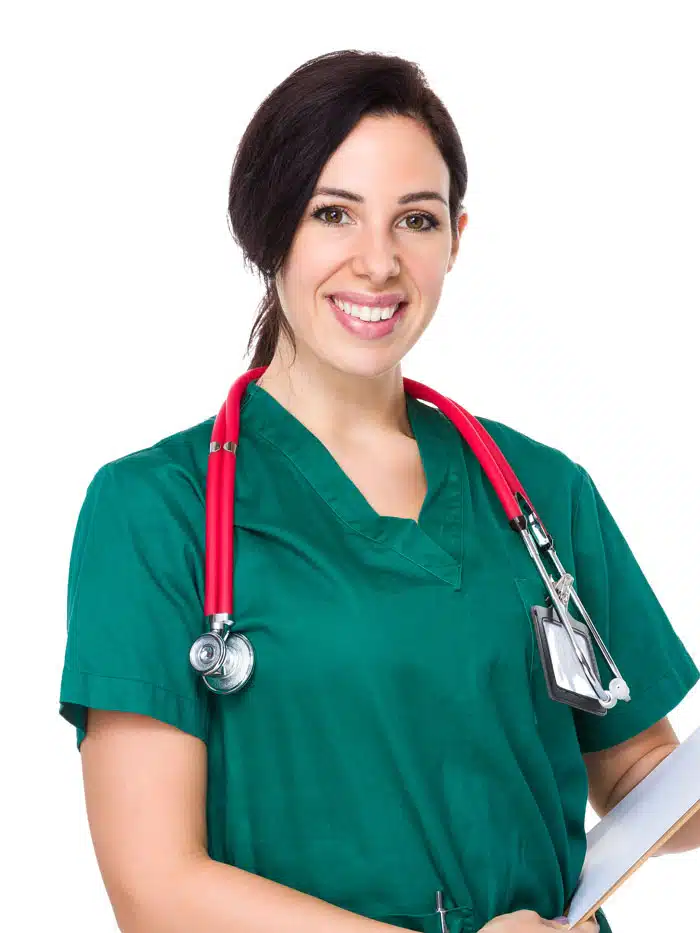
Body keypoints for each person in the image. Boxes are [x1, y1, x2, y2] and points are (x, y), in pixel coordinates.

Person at [58, 50, 699, 933]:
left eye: (416, 220)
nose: (378, 262)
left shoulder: (543, 490)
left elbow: (637, 774)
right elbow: (156, 889)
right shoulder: (155, 510)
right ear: (269, 228)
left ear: (456, 238)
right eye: (334, 214)